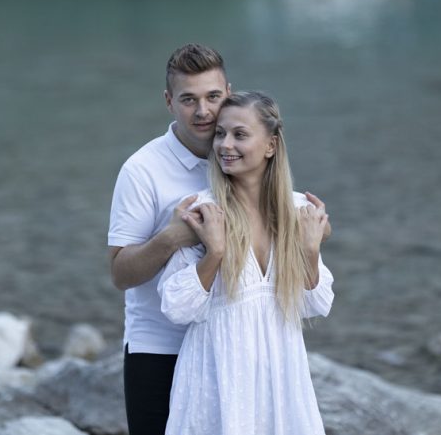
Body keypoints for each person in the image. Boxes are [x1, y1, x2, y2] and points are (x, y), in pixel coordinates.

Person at [107, 45, 330, 435]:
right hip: (160, 346)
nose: (203, 111)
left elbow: (293, 241)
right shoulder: (142, 170)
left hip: (243, 349)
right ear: (169, 101)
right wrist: (174, 237)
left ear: (228, 92)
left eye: (213, 97)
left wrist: (313, 237)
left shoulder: (237, 155)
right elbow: (120, 274)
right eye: (188, 100)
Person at [158, 91, 334, 435]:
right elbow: (176, 307)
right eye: (220, 133)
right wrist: (215, 254)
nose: (225, 145)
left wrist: (310, 250)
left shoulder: (298, 211)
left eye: (239, 134)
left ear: (270, 145)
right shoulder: (203, 211)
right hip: (217, 379)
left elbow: (316, 305)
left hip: (281, 378)